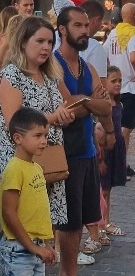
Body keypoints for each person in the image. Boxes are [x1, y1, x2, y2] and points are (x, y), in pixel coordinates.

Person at [54, 6, 114, 276]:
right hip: (64, 154)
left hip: (87, 151)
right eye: (78, 26)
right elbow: (67, 109)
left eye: (86, 26)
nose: (85, 31)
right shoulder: (53, 65)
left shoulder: (87, 67)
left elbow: (107, 107)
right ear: (62, 29)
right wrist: (91, 102)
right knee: (68, 223)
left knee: (79, 221)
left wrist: (85, 103)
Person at [0, 17, 75, 231]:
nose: (46, 47)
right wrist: (53, 117)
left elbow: (61, 109)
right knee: (22, 226)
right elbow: (14, 122)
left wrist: (65, 117)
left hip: (49, 161)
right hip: (22, 164)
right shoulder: (12, 74)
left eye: (50, 42)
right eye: (40, 41)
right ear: (23, 42)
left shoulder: (50, 75)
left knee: (44, 227)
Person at [0, 107, 57, 274]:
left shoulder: (36, 168)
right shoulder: (14, 169)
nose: (44, 141)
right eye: (37, 136)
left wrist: (46, 244)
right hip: (18, 248)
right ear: (18, 138)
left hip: (36, 245)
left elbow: (38, 212)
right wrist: (32, 247)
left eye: (45, 135)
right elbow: (8, 213)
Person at [104, 3, 135, 178]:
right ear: (134, 15)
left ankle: (116, 162)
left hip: (114, 86)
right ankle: (120, 165)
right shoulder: (132, 34)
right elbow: (134, 58)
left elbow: (105, 56)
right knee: (125, 130)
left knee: (114, 126)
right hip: (129, 86)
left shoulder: (113, 34)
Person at [96, 66, 127, 235]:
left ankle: (107, 220)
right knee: (103, 189)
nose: (118, 84)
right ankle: (101, 224)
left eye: (120, 80)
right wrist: (100, 158)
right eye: (113, 81)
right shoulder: (102, 105)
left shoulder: (118, 104)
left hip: (117, 149)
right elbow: (98, 132)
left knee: (109, 189)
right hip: (105, 150)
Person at [79, 0, 107, 80]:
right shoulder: (95, 47)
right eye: (101, 21)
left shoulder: (64, 40)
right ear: (96, 21)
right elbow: (100, 81)